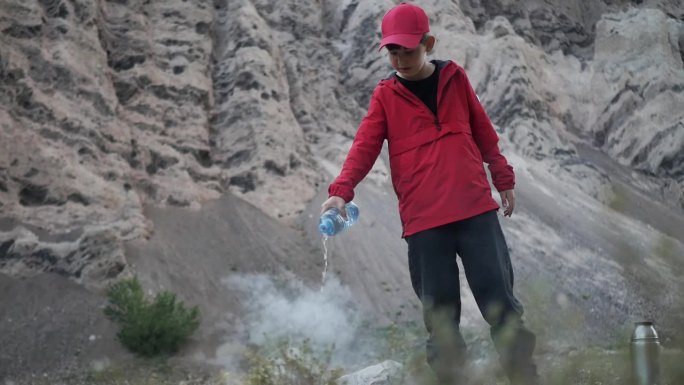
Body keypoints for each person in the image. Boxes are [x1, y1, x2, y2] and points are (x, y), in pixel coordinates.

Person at [320, 2, 539, 384]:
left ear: (428, 43)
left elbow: (484, 131)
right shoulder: (385, 96)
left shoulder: (455, 78)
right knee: (441, 322)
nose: (400, 59)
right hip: (425, 224)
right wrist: (341, 191)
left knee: (502, 307)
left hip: (475, 212)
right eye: (393, 51)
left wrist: (503, 178)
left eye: (408, 49)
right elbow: (364, 146)